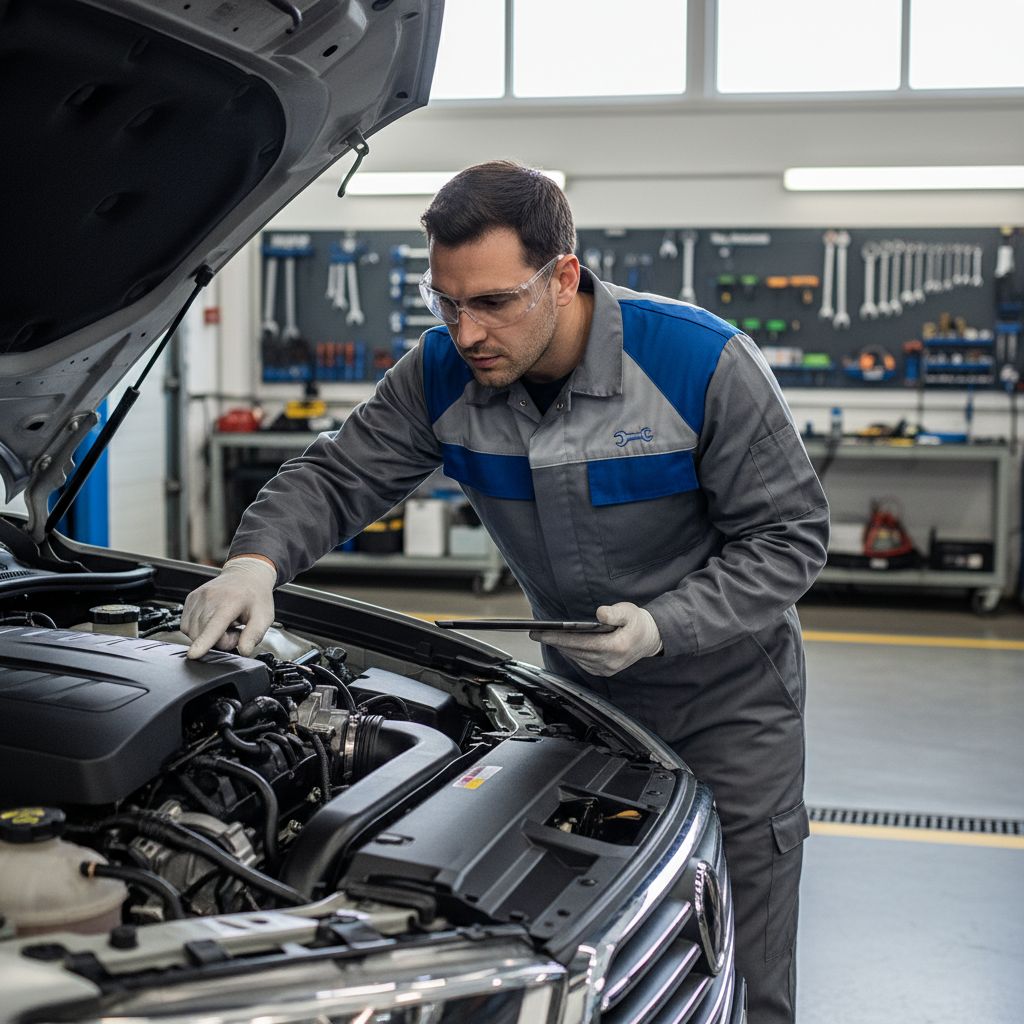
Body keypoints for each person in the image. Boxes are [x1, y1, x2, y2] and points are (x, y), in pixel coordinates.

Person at [182, 159, 829, 1024]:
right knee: (588, 952)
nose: (466, 330)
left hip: (728, 705)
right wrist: (253, 563)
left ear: (563, 276)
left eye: (492, 302)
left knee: (734, 959)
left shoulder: (698, 363)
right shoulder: (443, 371)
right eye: (444, 303)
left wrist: (663, 625)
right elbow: (339, 476)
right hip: (582, 700)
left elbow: (790, 538)